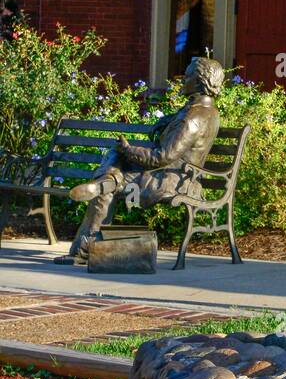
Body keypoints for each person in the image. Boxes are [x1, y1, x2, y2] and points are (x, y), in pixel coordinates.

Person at [54, 56, 224, 264]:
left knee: (110, 180)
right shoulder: (205, 111)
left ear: (199, 82)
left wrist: (129, 150)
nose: (182, 79)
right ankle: (105, 182)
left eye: (187, 76)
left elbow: (162, 157)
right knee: (114, 162)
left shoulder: (194, 118)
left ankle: (83, 249)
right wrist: (167, 120)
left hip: (172, 180)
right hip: (173, 173)